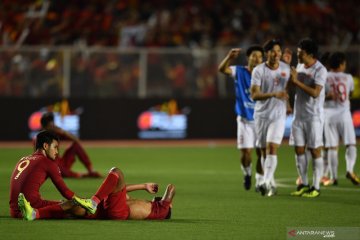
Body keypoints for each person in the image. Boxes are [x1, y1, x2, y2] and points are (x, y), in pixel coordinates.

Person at [18, 167, 175, 221]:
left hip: (118, 212)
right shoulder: (146, 205)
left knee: (116, 172)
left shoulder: (162, 209)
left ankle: (92, 202)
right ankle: (34, 213)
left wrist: (169, 202)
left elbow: (171, 187)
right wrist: (143, 186)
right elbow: (120, 190)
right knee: (72, 205)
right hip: (106, 210)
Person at [218, 45, 264, 191]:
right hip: (244, 119)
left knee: (261, 152)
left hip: (261, 120)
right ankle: (247, 173)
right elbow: (222, 69)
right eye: (254, 56)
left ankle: (260, 181)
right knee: (246, 153)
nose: (257, 59)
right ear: (248, 57)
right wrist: (229, 57)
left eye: (260, 57)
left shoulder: (265, 74)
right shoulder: (239, 71)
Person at [250, 39, 291, 197]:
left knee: (272, 148)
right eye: (274, 51)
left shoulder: (286, 69)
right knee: (261, 152)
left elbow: (287, 87)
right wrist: (274, 94)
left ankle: (266, 183)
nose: (277, 54)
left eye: (279, 51)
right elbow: (254, 94)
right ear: (267, 53)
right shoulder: (259, 70)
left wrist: (287, 104)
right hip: (261, 115)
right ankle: (267, 179)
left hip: (278, 115)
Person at [289, 38, 327, 198]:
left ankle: (316, 187)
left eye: (301, 54)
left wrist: (296, 81)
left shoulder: (320, 69)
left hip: (313, 117)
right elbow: (294, 84)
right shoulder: (299, 65)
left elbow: (315, 93)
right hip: (298, 116)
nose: (298, 56)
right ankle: (303, 184)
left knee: (314, 150)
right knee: (299, 150)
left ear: (310, 54)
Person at [9, 130, 77, 218]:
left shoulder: (23, 159)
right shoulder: (47, 162)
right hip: (31, 206)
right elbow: (66, 192)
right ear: (45, 146)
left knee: (64, 204)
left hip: (14, 211)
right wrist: (85, 202)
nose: (57, 152)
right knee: (75, 206)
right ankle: (34, 214)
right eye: (55, 147)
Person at [322, 51, 360, 186]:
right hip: (344, 114)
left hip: (328, 115)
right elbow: (349, 94)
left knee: (332, 147)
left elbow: (318, 95)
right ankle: (350, 169)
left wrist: (327, 97)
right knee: (351, 144)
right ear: (342, 64)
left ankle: (333, 177)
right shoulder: (349, 77)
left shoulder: (324, 76)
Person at [40, 112, 101, 178]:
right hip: (52, 165)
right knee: (58, 169)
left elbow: (76, 140)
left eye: (52, 121)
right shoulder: (40, 138)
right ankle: (81, 175)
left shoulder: (55, 133)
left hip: (60, 163)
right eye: (49, 122)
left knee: (75, 146)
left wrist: (63, 132)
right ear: (45, 125)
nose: (52, 124)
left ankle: (91, 170)